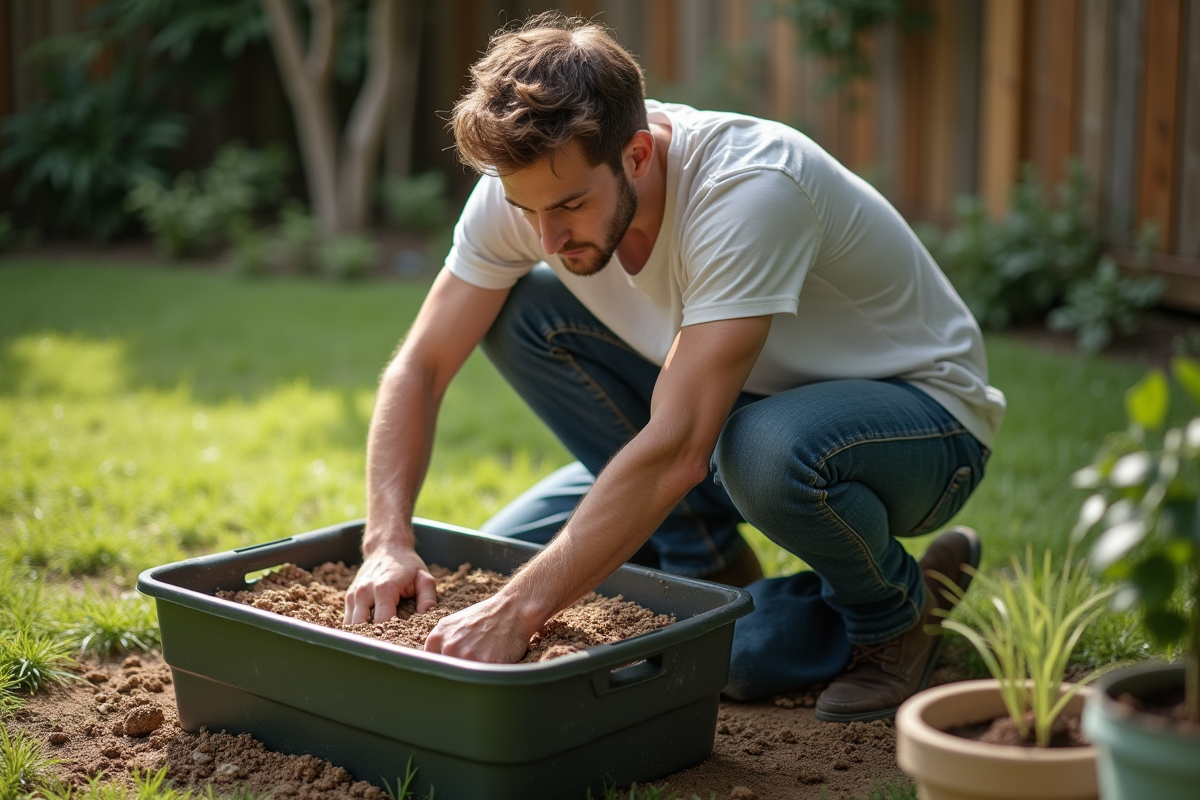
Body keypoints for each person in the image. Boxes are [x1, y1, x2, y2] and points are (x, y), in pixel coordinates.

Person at [342, 12, 1005, 722]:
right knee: (501, 554)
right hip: (724, 412)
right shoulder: (535, 187)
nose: (547, 236)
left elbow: (681, 448)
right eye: (525, 208)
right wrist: (385, 543)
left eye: (570, 205)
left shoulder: (748, 189)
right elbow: (420, 366)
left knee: (753, 471)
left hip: (918, 425)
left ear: (635, 155)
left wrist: (520, 613)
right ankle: (708, 561)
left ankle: (894, 614)